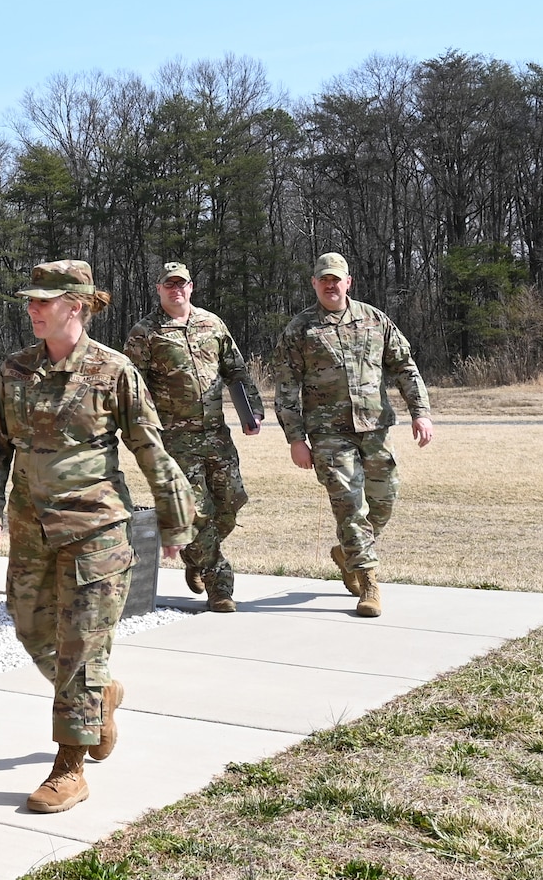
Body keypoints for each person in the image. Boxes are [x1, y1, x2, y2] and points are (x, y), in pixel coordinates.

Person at [0, 260, 193, 814]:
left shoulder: (113, 371)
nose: (33, 309)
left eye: (43, 301)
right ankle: (102, 697)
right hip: (30, 529)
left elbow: (150, 448)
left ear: (76, 305)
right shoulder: (15, 370)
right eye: (30, 300)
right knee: (32, 630)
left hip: (96, 529)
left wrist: (175, 521)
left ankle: (70, 765)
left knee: (80, 648)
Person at [275, 252, 433, 619]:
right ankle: (369, 581)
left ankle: (347, 554)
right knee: (350, 507)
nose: (331, 285)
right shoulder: (300, 330)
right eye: (323, 279)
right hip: (329, 434)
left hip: (375, 428)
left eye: (337, 279)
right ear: (315, 283)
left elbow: (405, 367)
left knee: (384, 500)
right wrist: (296, 439)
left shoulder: (375, 320)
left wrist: (420, 413)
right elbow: (286, 388)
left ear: (349, 282)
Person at [122, 261, 264, 613]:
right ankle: (220, 584)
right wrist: (143, 433)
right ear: (159, 289)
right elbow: (131, 389)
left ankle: (193, 553)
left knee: (230, 504)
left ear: (191, 287)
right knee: (197, 512)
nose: (176, 290)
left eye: (181, 284)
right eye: (169, 285)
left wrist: (252, 412)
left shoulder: (211, 324)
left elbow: (236, 370)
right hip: (175, 442)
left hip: (216, 435)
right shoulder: (145, 333)